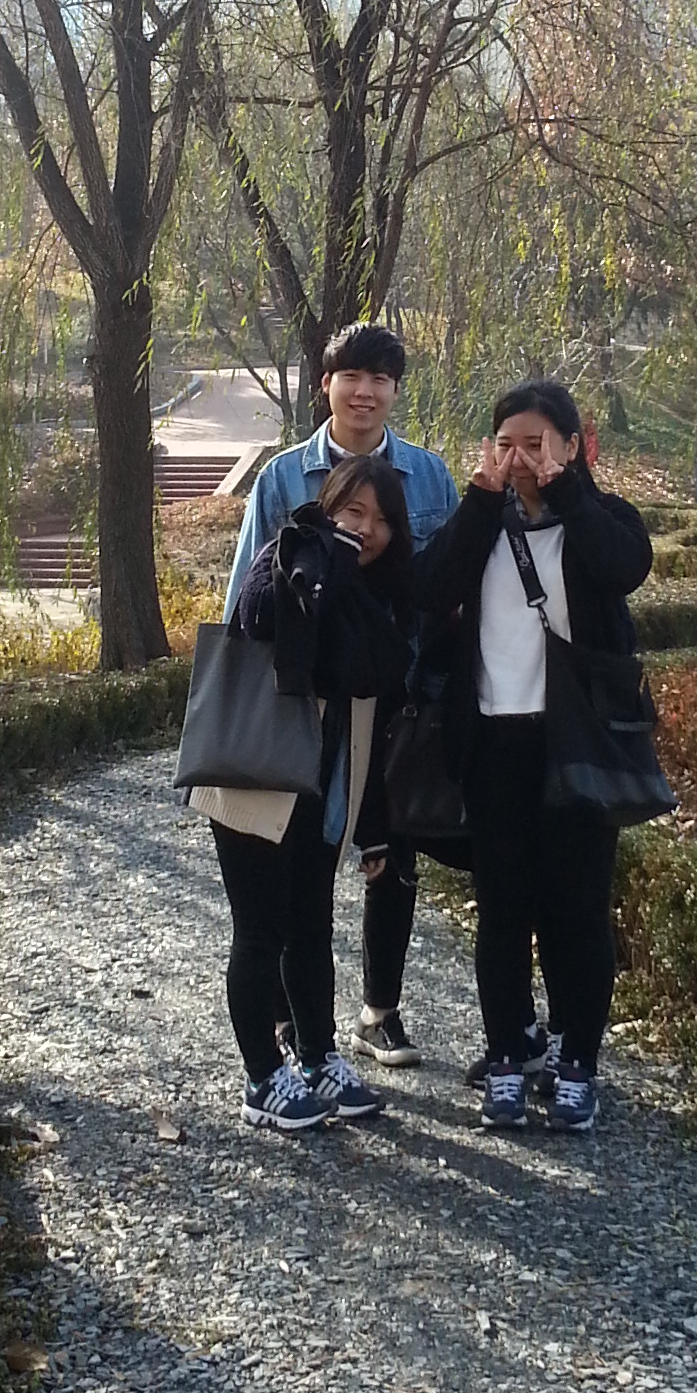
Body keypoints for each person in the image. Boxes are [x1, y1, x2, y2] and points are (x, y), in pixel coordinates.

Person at [414, 378, 653, 1136]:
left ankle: (577, 1061)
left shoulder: (603, 518)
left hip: (576, 743)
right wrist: (480, 502)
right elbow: (429, 588)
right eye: (506, 443)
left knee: (578, 911)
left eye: (537, 443)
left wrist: (567, 492)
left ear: (573, 446)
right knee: (503, 911)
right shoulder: (482, 522)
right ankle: (508, 1057)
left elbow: (624, 567)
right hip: (495, 740)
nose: (519, 458)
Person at [226, 321, 460, 1068]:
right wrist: (243, 704)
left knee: (393, 856)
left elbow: (449, 587)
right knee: (301, 861)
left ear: (395, 390)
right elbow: (247, 592)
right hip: (307, 700)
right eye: (350, 376)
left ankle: (379, 1010)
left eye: (380, 379)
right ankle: (292, 1022)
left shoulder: (429, 477)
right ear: (326, 383)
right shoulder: (282, 478)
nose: (365, 392)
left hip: (400, 693)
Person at [196, 454, 416, 1133]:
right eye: (353, 511)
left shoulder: (378, 592)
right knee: (260, 931)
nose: (366, 529)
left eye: (380, 519)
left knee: (312, 929)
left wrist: (374, 829)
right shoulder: (291, 553)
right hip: (255, 775)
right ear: (327, 506)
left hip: (322, 787)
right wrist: (328, 556)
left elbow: (382, 670)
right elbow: (261, 616)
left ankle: (318, 1056)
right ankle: (262, 1077)